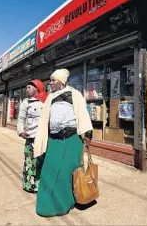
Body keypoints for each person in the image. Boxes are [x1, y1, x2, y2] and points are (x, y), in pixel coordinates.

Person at [33, 69, 93, 217]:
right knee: (50, 171)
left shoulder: (74, 94)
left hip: (72, 140)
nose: (50, 83)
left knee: (66, 173)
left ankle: (65, 203)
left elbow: (83, 115)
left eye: (53, 80)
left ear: (62, 81)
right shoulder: (50, 97)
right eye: (50, 80)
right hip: (54, 140)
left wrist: (88, 136)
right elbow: (44, 120)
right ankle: (46, 206)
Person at [17, 79, 48, 193]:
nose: (27, 89)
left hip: (45, 137)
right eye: (26, 87)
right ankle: (30, 186)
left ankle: (43, 184)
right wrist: (20, 131)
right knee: (31, 162)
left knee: (43, 161)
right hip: (32, 138)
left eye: (29, 87)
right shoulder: (26, 102)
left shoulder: (47, 100)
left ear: (38, 87)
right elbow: (20, 119)